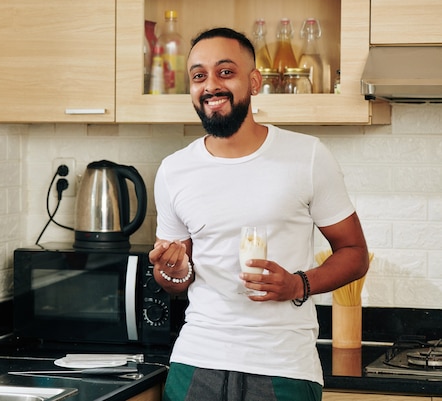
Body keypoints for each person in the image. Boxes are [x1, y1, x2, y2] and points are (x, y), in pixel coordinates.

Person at [148, 27, 369, 401]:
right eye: (199, 76)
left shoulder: (308, 156)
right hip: (196, 361)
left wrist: (298, 284)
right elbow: (178, 276)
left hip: (283, 366)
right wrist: (168, 270)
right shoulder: (174, 170)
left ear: (254, 81)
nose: (211, 85)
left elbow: (355, 253)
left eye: (225, 72)